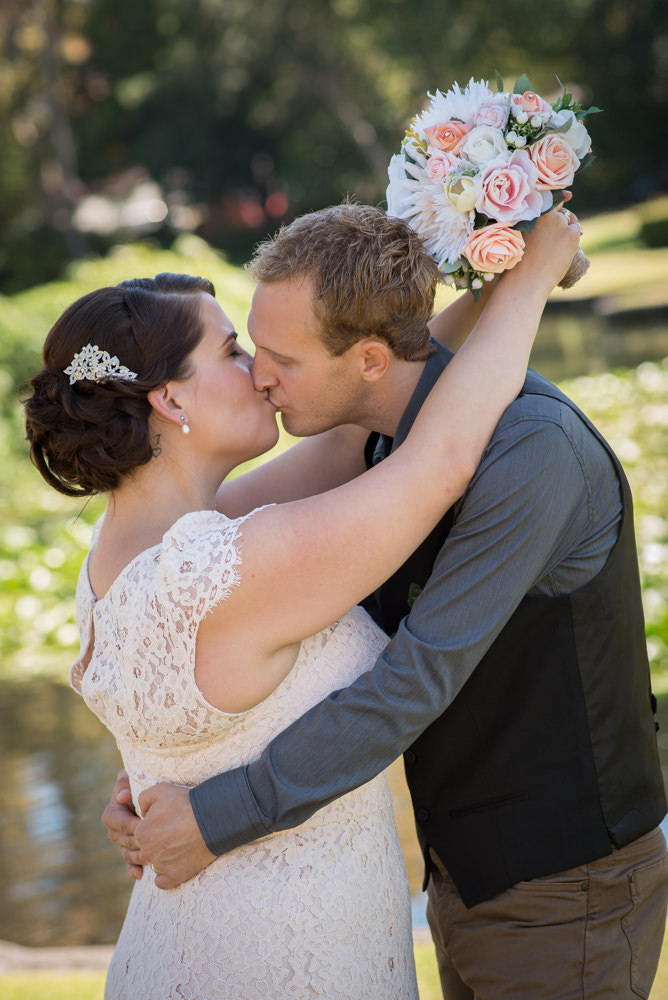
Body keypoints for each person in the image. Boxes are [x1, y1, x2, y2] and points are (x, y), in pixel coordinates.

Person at [105, 201, 668, 1000]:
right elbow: (179, 589)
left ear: (369, 359)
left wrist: (214, 816)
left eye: (278, 359)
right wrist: (160, 761)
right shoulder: (368, 444)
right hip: (457, 872)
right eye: (249, 348)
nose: (260, 377)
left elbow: (417, 678)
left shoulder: (530, 452)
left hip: (564, 878)